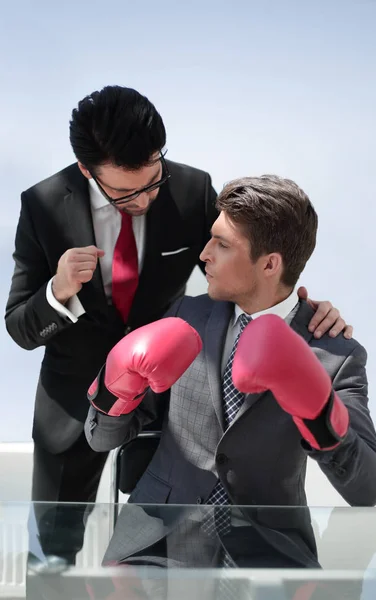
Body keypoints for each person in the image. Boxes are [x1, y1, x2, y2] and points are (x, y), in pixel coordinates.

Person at [5, 85, 350, 562]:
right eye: (126, 192)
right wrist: (58, 290)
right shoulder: (42, 204)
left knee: (158, 539)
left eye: (152, 181)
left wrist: (302, 312)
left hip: (166, 399)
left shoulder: (189, 188)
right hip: (71, 404)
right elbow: (19, 328)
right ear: (87, 170)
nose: (145, 198)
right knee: (52, 552)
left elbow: (247, 260)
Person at [86, 174, 376, 518]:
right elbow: (102, 440)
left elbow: (368, 490)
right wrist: (114, 385)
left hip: (270, 547)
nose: (204, 254)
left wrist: (318, 413)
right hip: (157, 540)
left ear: (270, 264)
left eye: (222, 244)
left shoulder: (337, 355)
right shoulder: (186, 315)